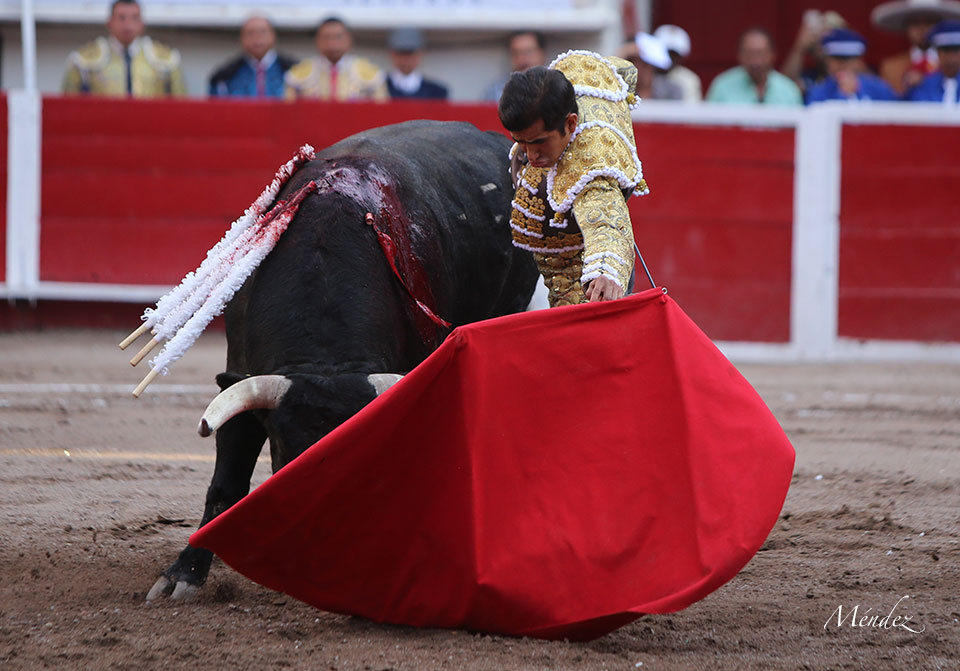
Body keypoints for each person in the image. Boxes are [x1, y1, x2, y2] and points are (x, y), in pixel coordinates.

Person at [498, 52, 650, 306]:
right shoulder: (558, 94)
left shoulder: (591, 160)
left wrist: (605, 270)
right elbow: (621, 68)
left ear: (570, 124)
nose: (531, 154)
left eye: (539, 142)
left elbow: (606, 222)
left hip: (583, 282)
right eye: (520, 142)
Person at [62, 0, 185, 97]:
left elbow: (181, 108)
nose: (128, 25)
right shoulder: (83, 61)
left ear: (142, 23)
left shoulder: (167, 60)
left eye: (134, 18)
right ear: (109, 22)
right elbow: (68, 108)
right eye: (121, 18)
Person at [285, 17, 388, 101]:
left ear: (349, 40)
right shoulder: (298, 73)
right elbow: (288, 111)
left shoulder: (370, 72)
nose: (332, 44)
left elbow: (382, 110)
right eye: (326, 37)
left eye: (338, 37)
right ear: (317, 41)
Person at [872, 0, 960, 95]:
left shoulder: (955, 62)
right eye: (915, 23)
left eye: (929, 22)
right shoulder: (891, 67)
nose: (922, 28)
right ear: (906, 27)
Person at [706, 27, 803, 105]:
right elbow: (708, 124)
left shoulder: (789, 90)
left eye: (760, 53)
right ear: (740, 55)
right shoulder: (722, 87)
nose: (755, 61)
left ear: (772, 55)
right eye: (749, 53)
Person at [209, 15, 295, 98]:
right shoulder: (224, 77)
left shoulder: (294, 71)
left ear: (273, 36)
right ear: (242, 39)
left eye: (262, 32)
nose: (257, 38)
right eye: (250, 33)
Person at [806, 29, 898, 103]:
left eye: (848, 59)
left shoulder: (879, 88)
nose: (842, 64)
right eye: (837, 58)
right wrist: (842, 96)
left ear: (859, 61)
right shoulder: (818, 92)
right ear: (826, 60)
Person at [781, 9, 849, 94]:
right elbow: (783, 86)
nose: (823, 45)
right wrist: (799, 49)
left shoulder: (853, 70)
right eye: (820, 38)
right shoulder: (811, 76)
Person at [482, 30, 547, 102]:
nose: (523, 60)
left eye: (529, 52)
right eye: (516, 53)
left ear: (542, 54)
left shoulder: (556, 86)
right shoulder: (496, 91)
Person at [385, 28, 448, 100]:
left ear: (420, 54)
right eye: (401, 53)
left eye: (410, 53)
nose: (406, 59)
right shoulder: (379, 88)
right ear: (392, 54)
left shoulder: (436, 93)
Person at [616, 32, 683, 100]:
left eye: (644, 64)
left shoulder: (671, 92)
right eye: (631, 61)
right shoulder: (619, 90)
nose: (636, 67)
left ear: (653, 67)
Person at [906, 19, 960, 102]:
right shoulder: (923, 86)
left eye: (956, 50)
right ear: (938, 53)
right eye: (945, 50)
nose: (951, 57)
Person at [653, 24, 702, 102]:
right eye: (664, 52)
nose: (668, 58)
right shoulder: (642, 74)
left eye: (673, 55)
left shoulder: (689, 81)